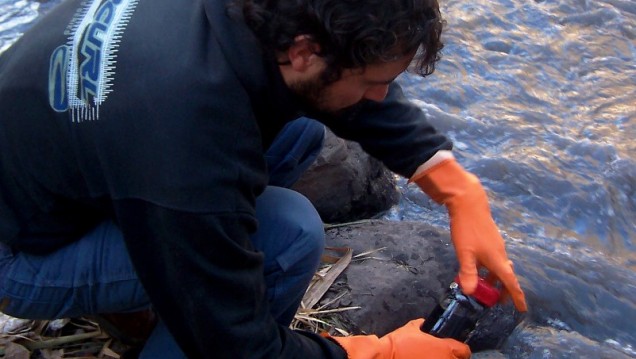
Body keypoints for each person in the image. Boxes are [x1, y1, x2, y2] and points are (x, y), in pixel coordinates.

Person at [0, 0, 528, 357]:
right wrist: (378, 352)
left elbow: (350, 69)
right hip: (18, 254)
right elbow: (237, 344)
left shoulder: (258, 14)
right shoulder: (190, 136)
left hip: (64, 159)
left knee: (298, 132)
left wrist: (456, 187)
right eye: (373, 83)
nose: (380, 97)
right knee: (289, 236)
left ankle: (150, 289)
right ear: (302, 51)